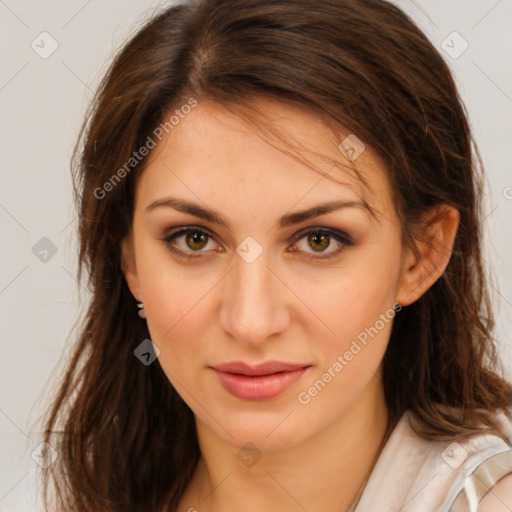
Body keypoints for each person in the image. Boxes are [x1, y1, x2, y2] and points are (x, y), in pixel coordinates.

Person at [39, 0, 512, 511]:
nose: (250, 321)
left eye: (318, 240)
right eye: (194, 239)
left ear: (421, 254)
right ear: (128, 258)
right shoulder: (62, 495)